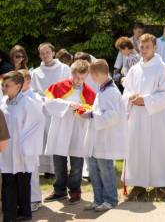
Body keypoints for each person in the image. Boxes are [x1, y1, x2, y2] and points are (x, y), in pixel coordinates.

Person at [122, 33, 165, 201]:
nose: (143, 50)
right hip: (137, 117)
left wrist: (145, 100)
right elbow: (126, 90)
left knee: (158, 149)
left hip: (156, 117)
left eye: (147, 47)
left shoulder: (163, 69)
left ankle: (161, 185)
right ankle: (138, 185)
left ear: (155, 47)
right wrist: (130, 97)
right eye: (141, 47)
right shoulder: (135, 69)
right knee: (137, 149)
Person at [42, 60, 96, 204]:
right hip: (60, 128)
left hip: (78, 129)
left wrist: (83, 110)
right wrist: (68, 105)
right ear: (72, 73)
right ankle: (59, 190)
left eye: (82, 78)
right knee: (59, 162)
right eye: (77, 77)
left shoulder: (89, 92)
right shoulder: (59, 86)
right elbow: (48, 103)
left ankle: (75, 190)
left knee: (77, 163)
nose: (79, 81)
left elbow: (92, 110)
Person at [82, 60, 126, 212]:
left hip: (105, 138)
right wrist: (91, 112)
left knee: (105, 170)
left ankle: (110, 200)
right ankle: (98, 199)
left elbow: (113, 116)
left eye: (92, 75)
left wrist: (92, 115)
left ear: (98, 74)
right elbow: (101, 111)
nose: (92, 78)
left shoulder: (111, 92)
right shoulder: (103, 89)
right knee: (94, 170)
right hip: (97, 137)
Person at [0, 71, 43, 222]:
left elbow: (38, 123)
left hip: (23, 151)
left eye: (7, 85)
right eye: (3, 85)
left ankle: (25, 212)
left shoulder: (28, 103)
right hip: (7, 150)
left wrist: (25, 144)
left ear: (18, 86)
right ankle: (9, 216)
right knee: (8, 182)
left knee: (23, 183)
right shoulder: (3, 101)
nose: (3, 88)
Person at [31, 42, 72, 176]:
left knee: (58, 138)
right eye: (42, 53)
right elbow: (33, 91)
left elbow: (70, 86)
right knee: (45, 138)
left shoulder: (64, 69)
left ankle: (59, 169)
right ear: (39, 55)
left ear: (53, 53)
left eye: (47, 52)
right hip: (43, 109)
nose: (45, 55)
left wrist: (57, 100)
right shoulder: (35, 73)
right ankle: (47, 169)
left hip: (59, 108)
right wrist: (43, 99)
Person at [18, 69, 44, 212]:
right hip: (18, 141)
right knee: (21, 172)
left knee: (32, 171)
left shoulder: (35, 98)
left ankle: (35, 199)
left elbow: (35, 121)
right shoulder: (15, 97)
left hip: (30, 141)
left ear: (28, 81)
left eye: (21, 80)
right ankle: (22, 199)